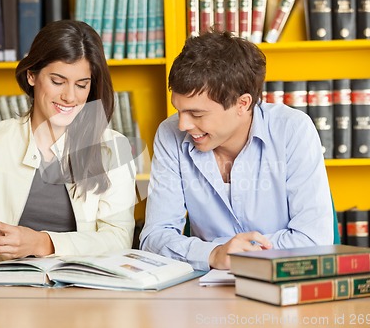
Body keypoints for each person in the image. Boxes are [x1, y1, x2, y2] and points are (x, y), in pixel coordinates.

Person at [0, 20, 136, 265]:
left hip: (83, 288)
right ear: (32, 75)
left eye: (82, 85)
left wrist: (43, 243)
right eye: (57, 81)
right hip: (2, 289)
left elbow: (119, 239)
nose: (70, 97)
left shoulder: (113, 147)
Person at [139, 30, 333, 271]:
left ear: (243, 104)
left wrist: (222, 251)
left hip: (283, 281)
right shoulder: (170, 134)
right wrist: (214, 254)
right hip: (203, 293)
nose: (183, 125)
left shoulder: (292, 130)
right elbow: (153, 237)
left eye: (197, 114)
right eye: (179, 110)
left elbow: (313, 240)